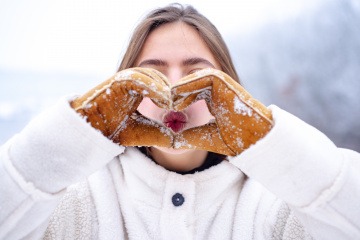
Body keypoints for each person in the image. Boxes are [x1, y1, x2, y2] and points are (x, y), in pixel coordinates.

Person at [0, 3, 359, 240]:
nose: (172, 89)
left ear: (230, 90)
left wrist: (265, 139)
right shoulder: (78, 204)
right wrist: (73, 134)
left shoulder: (275, 206)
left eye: (197, 74)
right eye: (150, 75)